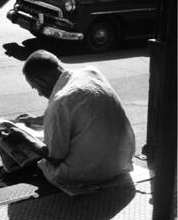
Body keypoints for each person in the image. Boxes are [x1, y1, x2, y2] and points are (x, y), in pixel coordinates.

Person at [13, 50, 135, 195]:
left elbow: (56, 158)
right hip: (122, 163)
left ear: (42, 81)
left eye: (36, 87)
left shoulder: (60, 101)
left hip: (95, 174)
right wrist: (36, 120)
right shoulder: (91, 73)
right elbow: (78, 112)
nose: (39, 93)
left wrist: (26, 140)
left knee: (39, 161)